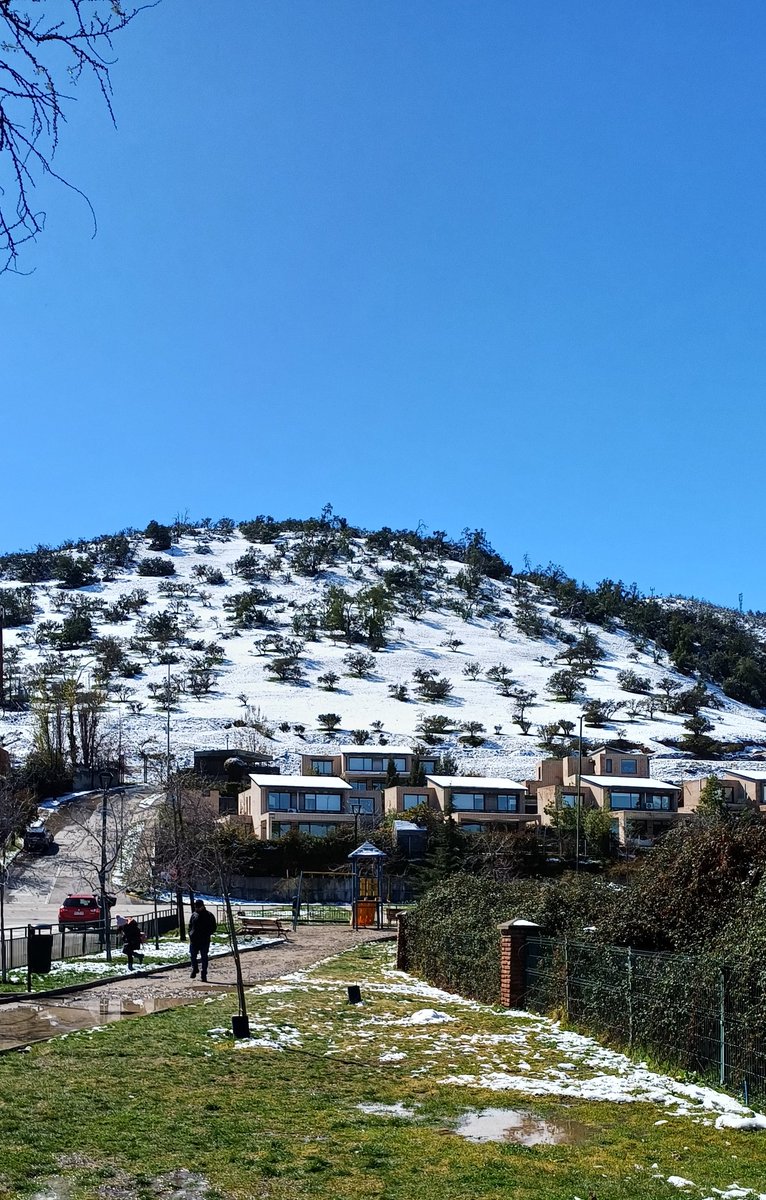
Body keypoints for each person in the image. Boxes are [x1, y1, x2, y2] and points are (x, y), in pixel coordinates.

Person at [188, 899, 217, 982]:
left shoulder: (209, 915)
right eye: (196, 907)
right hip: (194, 939)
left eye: (198, 907)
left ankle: (204, 973)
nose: (197, 909)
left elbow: (213, 927)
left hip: (204, 940)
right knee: (193, 955)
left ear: (203, 906)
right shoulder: (194, 915)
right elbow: (190, 926)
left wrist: (207, 933)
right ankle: (195, 968)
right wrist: (190, 933)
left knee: (204, 956)